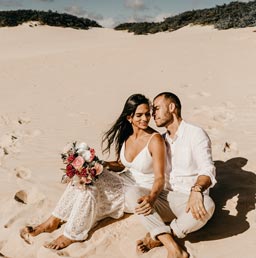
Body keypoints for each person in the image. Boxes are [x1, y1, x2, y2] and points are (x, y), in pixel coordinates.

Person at [20, 93, 167, 250]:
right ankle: (53, 220)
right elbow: (120, 164)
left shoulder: (155, 140)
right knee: (83, 176)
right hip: (124, 179)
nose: (144, 119)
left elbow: (160, 177)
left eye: (147, 114)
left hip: (137, 191)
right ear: (129, 117)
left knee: (89, 185)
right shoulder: (127, 134)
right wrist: (96, 163)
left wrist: (151, 198)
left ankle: (72, 234)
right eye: (139, 115)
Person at [136, 92, 217, 258]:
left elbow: (207, 169)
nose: (153, 114)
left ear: (172, 107)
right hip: (166, 199)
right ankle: (166, 237)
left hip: (189, 203)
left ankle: (159, 236)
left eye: (157, 108)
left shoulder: (195, 134)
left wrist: (197, 190)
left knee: (208, 204)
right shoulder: (160, 140)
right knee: (133, 194)